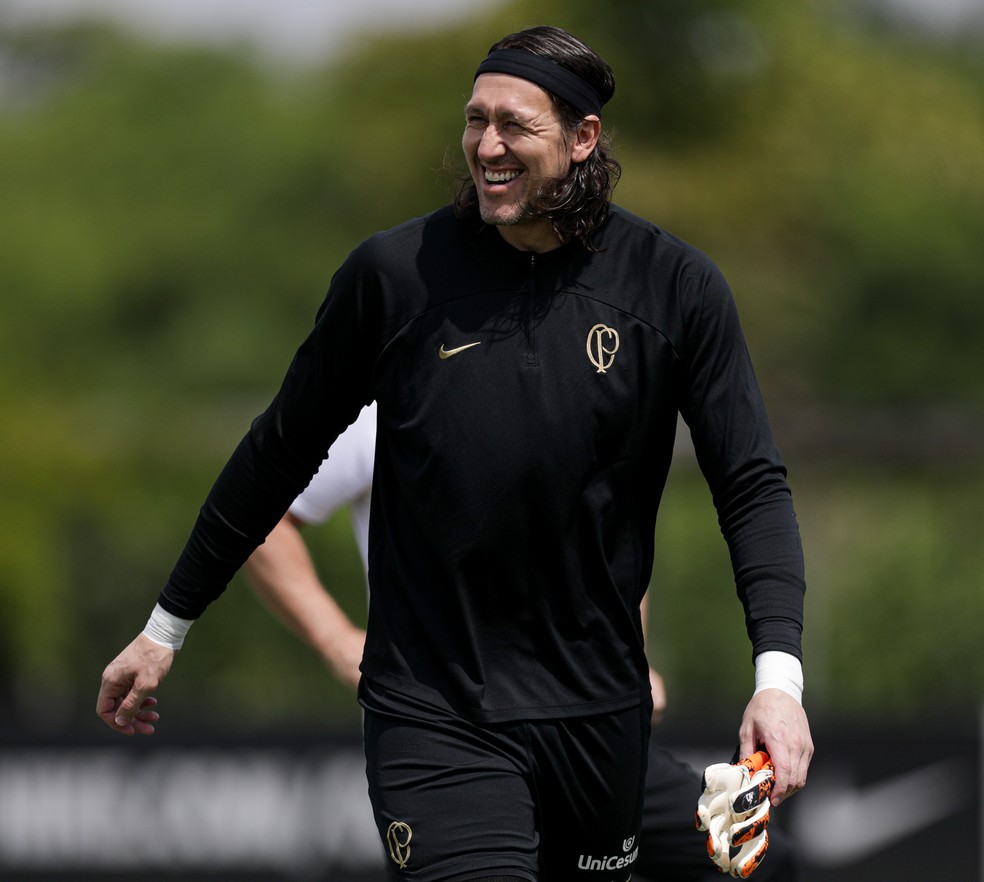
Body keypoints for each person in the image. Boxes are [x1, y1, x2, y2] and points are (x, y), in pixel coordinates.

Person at [98, 25, 812, 882]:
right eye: (476, 121)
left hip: (599, 719)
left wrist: (779, 681)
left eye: (516, 125)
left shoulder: (675, 288)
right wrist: (163, 629)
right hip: (434, 712)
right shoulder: (393, 277)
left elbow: (751, 487)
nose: (487, 145)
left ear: (583, 140)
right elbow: (274, 457)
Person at [243, 403, 798, 880]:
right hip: (453, 732)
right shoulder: (388, 402)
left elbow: (614, 539)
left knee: (762, 866)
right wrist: (339, 640)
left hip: (586, 725)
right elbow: (260, 514)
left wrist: (631, 656)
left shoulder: (579, 382)